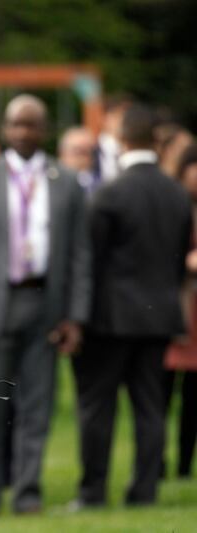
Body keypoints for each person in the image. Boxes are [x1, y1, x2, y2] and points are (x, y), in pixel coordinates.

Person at [0, 94, 91, 515]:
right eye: (16, 124)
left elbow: (81, 255)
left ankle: (28, 493)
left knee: (37, 407)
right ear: (6, 130)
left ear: (45, 131)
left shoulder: (66, 181)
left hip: (45, 303)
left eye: (32, 125)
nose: (24, 132)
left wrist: (75, 316)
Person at [73, 104, 192, 508]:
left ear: (122, 138)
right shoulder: (177, 193)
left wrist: (78, 316)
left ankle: (92, 493)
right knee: (151, 409)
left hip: (109, 319)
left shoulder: (110, 193)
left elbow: (91, 259)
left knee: (96, 408)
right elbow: (178, 257)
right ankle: (144, 491)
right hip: (160, 316)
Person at [164, 142, 197, 479]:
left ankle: (186, 465)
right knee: (161, 390)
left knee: (192, 397)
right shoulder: (172, 203)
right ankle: (156, 462)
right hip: (177, 306)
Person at [59, 126, 98, 194]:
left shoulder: (101, 185)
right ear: (62, 153)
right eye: (77, 152)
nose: (81, 159)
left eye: (85, 152)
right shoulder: (51, 184)